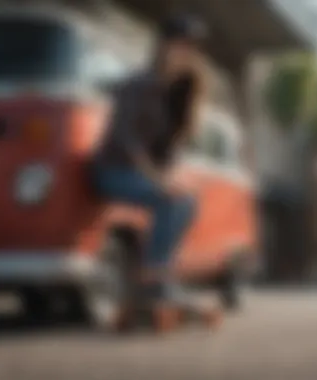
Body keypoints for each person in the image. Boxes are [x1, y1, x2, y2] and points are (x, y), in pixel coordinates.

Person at [93, 13, 208, 307]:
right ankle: (153, 281)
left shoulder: (182, 91)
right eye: (179, 45)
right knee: (170, 199)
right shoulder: (139, 83)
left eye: (191, 48)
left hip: (143, 175)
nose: (185, 53)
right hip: (113, 170)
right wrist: (158, 180)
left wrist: (171, 177)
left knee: (188, 199)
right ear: (162, 47)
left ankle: (161, 275)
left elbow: (170, 152)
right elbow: (126, 139)